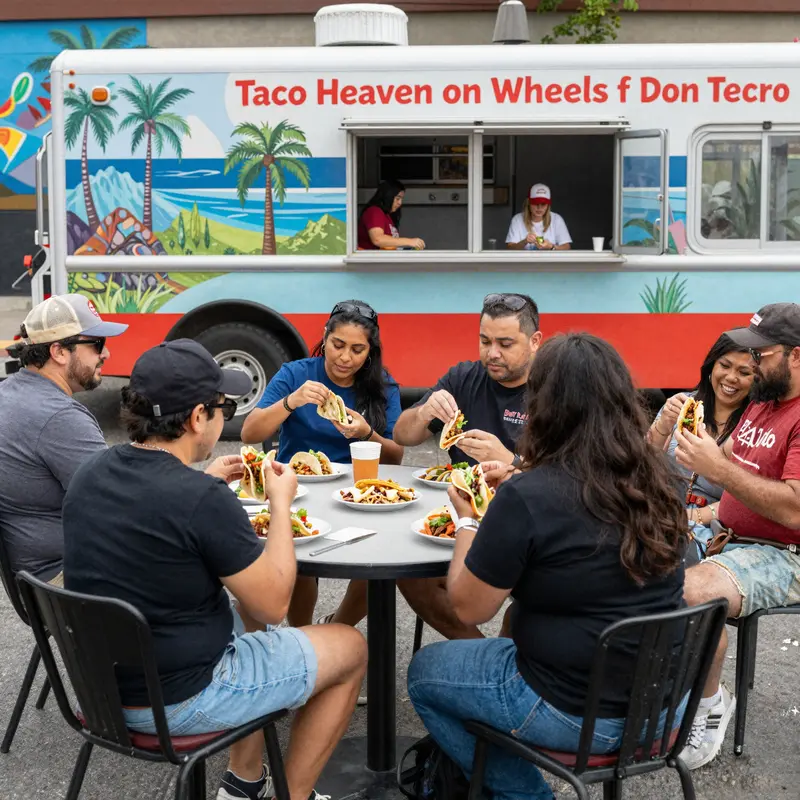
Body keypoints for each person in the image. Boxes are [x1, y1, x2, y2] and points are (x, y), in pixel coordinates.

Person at [62, 340, 367, 800]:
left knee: (243, 625)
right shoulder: (201, 500)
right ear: (197, 418)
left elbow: (155, 515)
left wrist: (202, 483)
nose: (227, 414)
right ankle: (295, 795)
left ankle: (243, 785)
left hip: (99, 691)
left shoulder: (90, 473)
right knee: (349, 645)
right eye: (223, 405)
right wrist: (280, 505)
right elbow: (274, 602)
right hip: (180, 701)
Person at [407, 333, 688, 800]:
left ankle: (527, 795)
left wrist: (469, 520)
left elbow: (470, 607)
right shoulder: (660, 478)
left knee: (425, 672)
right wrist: (519, 473)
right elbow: (582, 501)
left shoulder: (529, 498)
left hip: (574, 713)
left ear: (546, 406)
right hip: (662, 707)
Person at [673, 303, 800, 771]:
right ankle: (660, 694)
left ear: (797, 356)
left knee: (690, 594)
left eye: (760, 355)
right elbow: (720, 458)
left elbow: (794, 508)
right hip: (728, 536)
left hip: (785, 554)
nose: (749, 365)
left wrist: (717, 468)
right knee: (630, 556)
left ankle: (708, 706)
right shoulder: (765, 402)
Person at [241, 299, 403, 630]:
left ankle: (336, 627)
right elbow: (249, 432)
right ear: (324, 337)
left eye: (357, 350)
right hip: (296, 491)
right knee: (297, 561)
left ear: (370, 351)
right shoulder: (296, 374)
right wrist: (291, 401)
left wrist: (365, 432)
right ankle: (302, 635)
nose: (345, 357)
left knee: (383, 561)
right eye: (338, 345)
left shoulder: (382, 385)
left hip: (358, 493)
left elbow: (395, 457)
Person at [393, 293, 542, 641]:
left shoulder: (554, 386)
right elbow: (402, 434)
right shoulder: (464, 378)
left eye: (505, 343)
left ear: (535, 341)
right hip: (462, 516)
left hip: (531, 524)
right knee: (408, 574)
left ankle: (498, 665)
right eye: (485, 341)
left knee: (529, 608)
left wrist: (510, 461)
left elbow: (573, 474)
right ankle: (479, 653)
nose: (492, 353)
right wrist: (424, 411)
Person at [0, 294, 127, 583]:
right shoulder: (60, 417)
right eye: (97, 344)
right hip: (69, 583)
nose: (105, 354)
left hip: (34, 581)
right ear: (58, 352)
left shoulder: (9, 393)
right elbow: (120, 505)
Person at [648, 334, 755, 559]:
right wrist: (663, 425)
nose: (731, 377)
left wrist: (690, 517)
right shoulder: (682, 403)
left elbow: (748, 497)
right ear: (710, 366)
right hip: (658, 515)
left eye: (744, 373)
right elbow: (639, 465)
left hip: (713, 534)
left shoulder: (756, 424)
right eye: (724, 365)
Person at [356, 179, 425, 251]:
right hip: (369, 260)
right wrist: (410, 241)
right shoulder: (374, 211)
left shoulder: (387, 216)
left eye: (401, 199)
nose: (400, 203)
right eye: (397, 199)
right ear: (388, 196)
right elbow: (378, 239)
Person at [505, 184, 571, 251]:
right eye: (535, 203)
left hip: (550, 261)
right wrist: (524, 242)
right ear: (529, 203)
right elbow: (510, 248)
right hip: (524, 261)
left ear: (548, 205)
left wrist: (551, 246)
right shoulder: (517, 219)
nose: (539, 208)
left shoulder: (556, 219)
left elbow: (566, 247)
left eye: (543, 204)